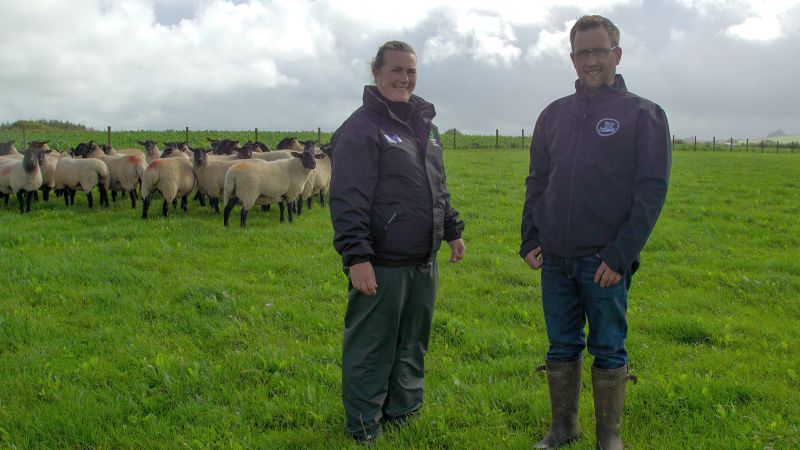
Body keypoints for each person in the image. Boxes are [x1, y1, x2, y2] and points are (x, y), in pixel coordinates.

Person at [520, 15, 671, 450]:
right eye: (582, 52)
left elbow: (651, 193)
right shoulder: (554, 115)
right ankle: (563, 429)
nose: (590, 60)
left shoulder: (645, 115)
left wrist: (620, 255)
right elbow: (538, 180)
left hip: (605, 262)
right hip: (555, 258)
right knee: (561, 345)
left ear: (616, 55)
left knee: (608, 347)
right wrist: (530, 238)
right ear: (572, 58)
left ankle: (610, 439)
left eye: (598, 51)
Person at [329, 40, 466, 443]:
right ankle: (363, 424)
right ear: (376, 72)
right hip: (383, 262)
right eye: (396, 71)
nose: (404, 79)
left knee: (412, 341)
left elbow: (436, 187)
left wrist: (452, 230)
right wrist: (357, 257)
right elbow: (348, 198)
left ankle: (403, 412)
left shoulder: (426, 125)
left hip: (424, 260)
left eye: (411, 72)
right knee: (373, 345)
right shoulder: (361, 129)